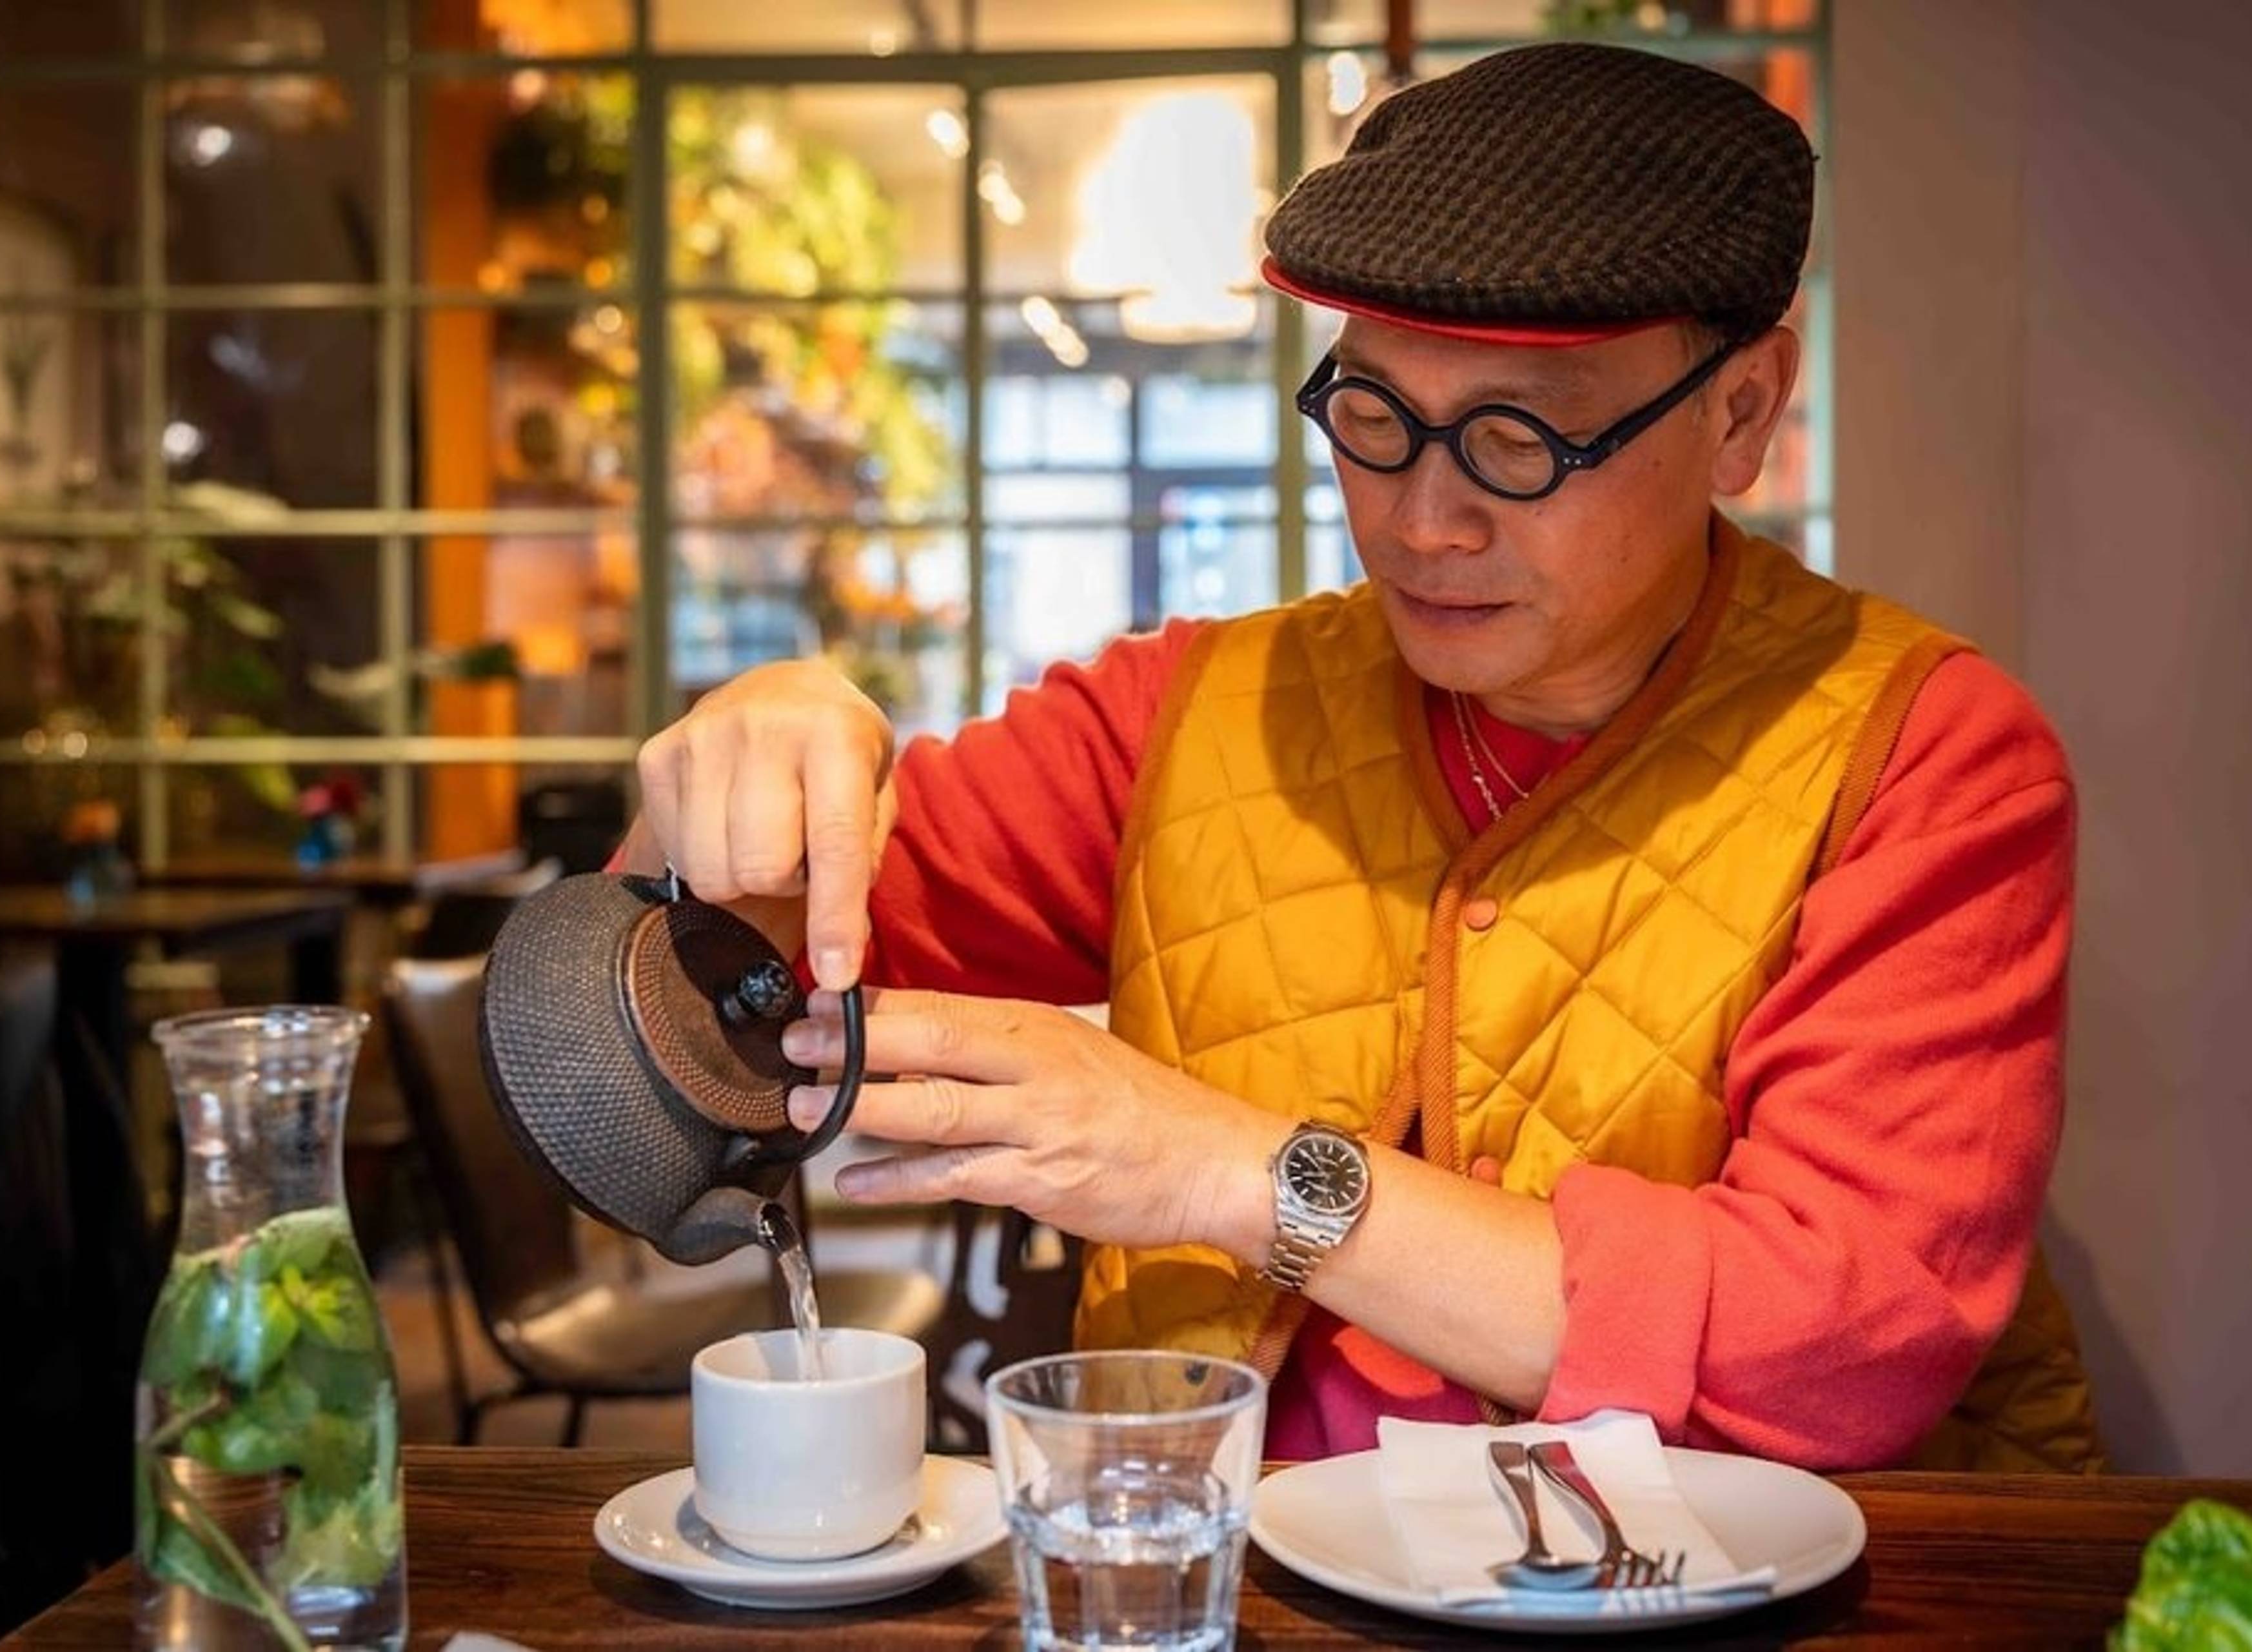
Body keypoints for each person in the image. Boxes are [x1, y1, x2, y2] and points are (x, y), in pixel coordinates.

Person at [620, 41, 2106, 1472]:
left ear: (1741, 413)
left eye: (1520, 440)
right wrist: (738, 793)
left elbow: (1835, 1345)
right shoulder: (1194, 713)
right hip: (1229, 1578)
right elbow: (679, 992)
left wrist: (1228, 1172)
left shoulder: (1922, 756)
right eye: (1372, 414)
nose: (1421, 521)